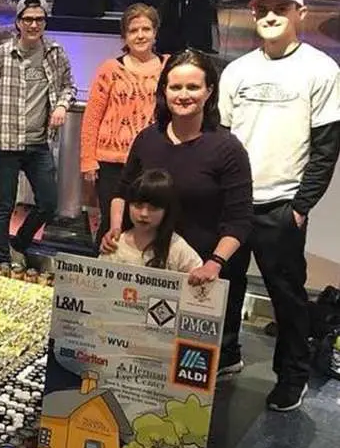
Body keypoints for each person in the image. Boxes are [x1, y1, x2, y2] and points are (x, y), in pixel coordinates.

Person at [218, 0, 340, 411]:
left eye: (281, 8)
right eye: (263, 8)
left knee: (286, 297)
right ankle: (226, 355)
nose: (271, 16)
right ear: (253, 14)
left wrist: (301, 206)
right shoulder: (237, 71)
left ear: (299, 14)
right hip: (234, 205)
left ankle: (293, 376)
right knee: (224, 287)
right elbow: (225, 139)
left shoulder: (321, 70)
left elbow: (326, 147)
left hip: (281, 207)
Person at [102, 49, 252, 289]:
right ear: (164, 90)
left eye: (193, 87)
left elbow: (240, 220)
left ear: (209, 91)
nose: (183, 95)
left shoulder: (228, 149)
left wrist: (214, 263)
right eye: (175, 87)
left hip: (203, 274)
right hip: (146, 272)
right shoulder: (147, 139)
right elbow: (122, 192)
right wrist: (116, 230)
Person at [0, 0, 75, 265]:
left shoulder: (56, 53)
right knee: (4, 206)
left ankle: (19, 243)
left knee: (48, 203)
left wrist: (62, 106)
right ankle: (2, 258)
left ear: (45, 22)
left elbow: (69, 86)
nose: (33, 24)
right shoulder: (1, 55)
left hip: (38, 143)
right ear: (18, 22)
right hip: (5, 142)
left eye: (39, 19)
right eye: (28, 19)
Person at [80, 3, 167, 244]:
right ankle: (102, 273)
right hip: (111, 163)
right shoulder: (110, 69)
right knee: (111, 221)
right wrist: (88, 160)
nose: (140, 35)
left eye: (146, 29)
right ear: (124, 36)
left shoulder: (168, 67)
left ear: (155, 32)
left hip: (153, 159)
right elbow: (92, 117)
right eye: (133, 30)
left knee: (149, 223)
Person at [99, 169, 202, 273]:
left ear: (166, 211)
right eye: (138, 206)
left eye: (153, 208)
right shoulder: (114, 245)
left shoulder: (177, 248)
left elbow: (199, 275)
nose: (144, 214)